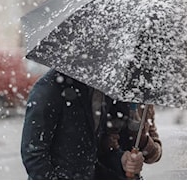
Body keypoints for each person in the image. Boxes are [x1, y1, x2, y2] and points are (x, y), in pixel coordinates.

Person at [20, 69, 162, 179]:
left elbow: (97, 151)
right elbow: (34, 155)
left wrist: (121, 161)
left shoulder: (102, 89)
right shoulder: (50, 88)